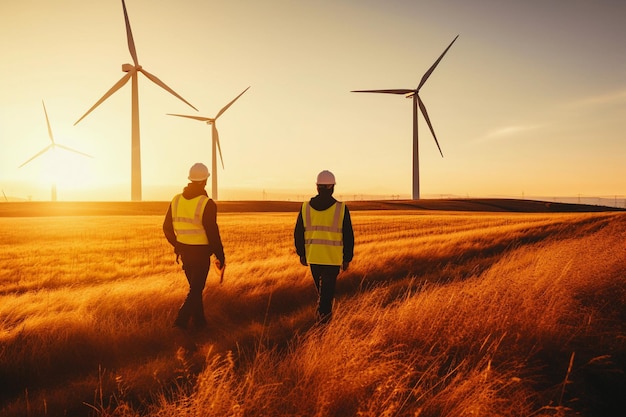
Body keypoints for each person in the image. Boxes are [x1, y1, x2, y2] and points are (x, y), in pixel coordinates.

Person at [163, 162, 225, 330]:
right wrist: (220, 255)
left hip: (184, 253)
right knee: (196, 290)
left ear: (190, 179)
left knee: (194, 289)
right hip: (200, 254)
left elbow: (166, 227)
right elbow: (213, 232)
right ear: (205, 180)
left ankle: (200, 322)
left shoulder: (176, 200)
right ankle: (180, 323)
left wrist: (177, 245)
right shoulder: (207, 203)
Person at [294, 170, 354, 323]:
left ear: (317, 187)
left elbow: (298, 232)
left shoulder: (305, 207)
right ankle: (323, 325)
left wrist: (301, 253)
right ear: (332, 187)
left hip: (313, 258)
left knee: (323, 295)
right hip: (332, 260)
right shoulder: (341, 208)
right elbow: (348, 235)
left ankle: (322, 323)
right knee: (326, 296)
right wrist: (347, 258)